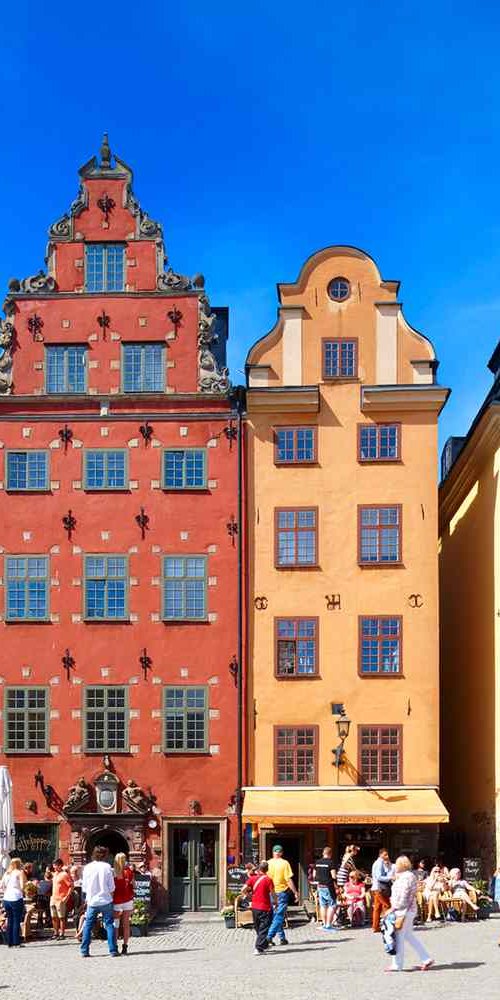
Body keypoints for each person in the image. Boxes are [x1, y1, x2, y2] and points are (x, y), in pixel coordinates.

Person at [385, 855, 434, 973]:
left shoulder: (406, 877)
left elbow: (404, 895)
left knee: (398, 937)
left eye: (397, 864)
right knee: (408, 936)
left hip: (403, 911)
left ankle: (397, 964)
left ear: (401, 865)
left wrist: (394, 908)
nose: (395, 866)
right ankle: (426, 958)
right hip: (409, 910)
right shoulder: (408, 876)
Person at [80, 846, 118, 958]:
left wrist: (87, 898)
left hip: (92, 901)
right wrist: (111, 898)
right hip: (106, 900)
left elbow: (85, 887)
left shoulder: (87, 867)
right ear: (105, 855)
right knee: (109, 924)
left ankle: (84, 950)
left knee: (88, 925)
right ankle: (112, 950)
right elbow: (111, 887)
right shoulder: (107, 867)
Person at [266, 845, 298, 946]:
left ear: (273, 852)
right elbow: (288, 879)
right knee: (279, 916)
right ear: (281, 853)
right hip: (281, 892)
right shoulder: (285, 863)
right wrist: (295, 892)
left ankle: (282, 938)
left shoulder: (268, 863)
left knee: (275, 915)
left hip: (271, 893)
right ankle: (269, 937)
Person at [242, 861, 276, 955]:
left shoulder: (252, 879)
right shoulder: (268, 879)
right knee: (264, 928)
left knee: (258, 927)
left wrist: (248, 895)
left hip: (255, 907)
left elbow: (243, 889)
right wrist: (276, 902)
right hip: (265, 907)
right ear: (267, 870)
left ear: (259, 869)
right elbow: (272, 893)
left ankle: (264, 944)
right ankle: (258, 948)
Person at [0, 858, 26, 947]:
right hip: (16, 897)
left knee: (10, 920)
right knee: (16, 920)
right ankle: (16, 942)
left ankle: (9, 942)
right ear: (19, 864)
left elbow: (1, 886)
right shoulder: (20, 872)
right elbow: (23, 886)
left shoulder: (7, 873)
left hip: (6, 898)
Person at [113, 853, 135, 955]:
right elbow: (133, 885)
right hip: (127, 900)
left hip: (116, 901)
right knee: (126, 925)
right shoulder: (129, 871)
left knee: (116, 925)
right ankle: (125, 947)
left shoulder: (114, 872)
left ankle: (115, 946)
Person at [313, 847, 338, 931]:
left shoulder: (317, 862)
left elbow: (314, 875)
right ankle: (328, 925)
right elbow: (334, 876)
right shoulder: (331, 863)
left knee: (323, 905)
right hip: (329, 886)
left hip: (320, 886)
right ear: (330, 854)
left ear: (323, 853)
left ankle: (323, 924)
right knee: (332, 905)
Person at [50, 858, 73, 940]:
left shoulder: (64, 874)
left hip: (61, 899)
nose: (54, 867)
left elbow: (71, 886)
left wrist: (67, 897)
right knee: (53, 917)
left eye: (56, 865)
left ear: (60, 865)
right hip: (53, 898)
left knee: (61, 917)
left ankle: (62, 933)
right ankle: (55, 932)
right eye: (53, 865)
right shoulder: (55, 874)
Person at [371, 848, 393, 932]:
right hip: (379, 888)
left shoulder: (380, 863)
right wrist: (390, 877)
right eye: (385, 855)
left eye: (387, 854)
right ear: (380, 855)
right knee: (387, 906)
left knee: (377, 908)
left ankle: (375, 927)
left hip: (376, 887)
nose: (387, 856)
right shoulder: (379, 863)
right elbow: (379, 876)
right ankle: (388, 925)